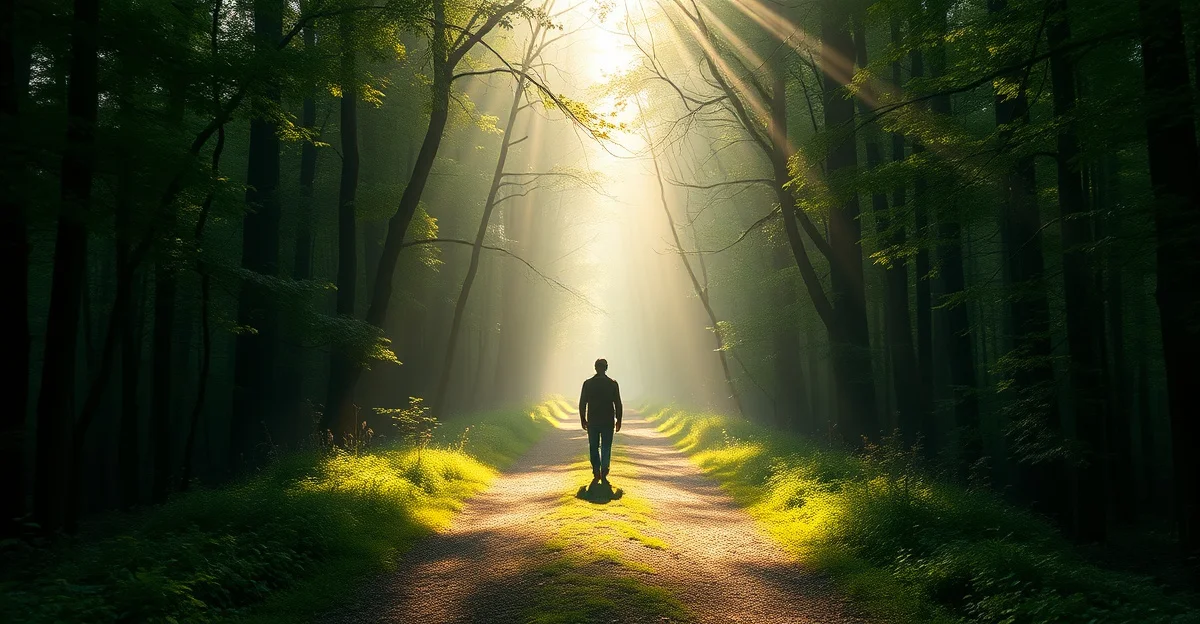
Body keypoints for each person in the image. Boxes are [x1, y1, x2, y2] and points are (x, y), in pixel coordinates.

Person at [579, 358, 623, 483]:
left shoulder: (588, 384)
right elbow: (618, 403)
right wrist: (619, 419)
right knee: (606, 446)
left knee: (593, 446)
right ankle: (604, 469)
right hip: (608, 421)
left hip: (593, 421)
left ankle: (596, 470)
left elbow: (582, 403)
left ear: (595, 367)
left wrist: (583, 418)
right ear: (606, 368)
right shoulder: (612, 384)